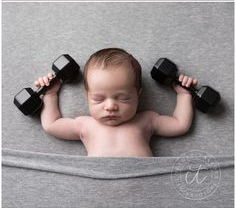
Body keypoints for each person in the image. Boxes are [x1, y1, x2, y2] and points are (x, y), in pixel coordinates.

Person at [34, 48, 198, 157]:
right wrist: (50, 95)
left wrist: (184, 95)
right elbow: (52, 125)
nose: (111, 106)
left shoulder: (147, 120)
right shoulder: (85, 125)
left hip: (145, 187)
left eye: (123, 98)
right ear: (87, 96)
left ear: (137, 95)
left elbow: (180, 125)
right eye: (98, 99)